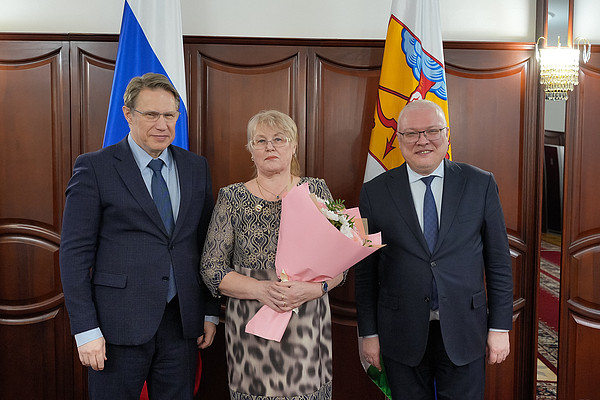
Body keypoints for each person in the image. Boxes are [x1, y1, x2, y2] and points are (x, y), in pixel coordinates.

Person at [59, 73, 220, 399]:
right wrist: (85, 329)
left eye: (170, 115)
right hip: (117, 327)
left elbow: (205, 245)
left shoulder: (196, 167)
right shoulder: (95, 168)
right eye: (151, 114)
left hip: (182, 324)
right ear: (128, 114)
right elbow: (74, 255)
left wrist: (209, 310)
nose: (162, 124)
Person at [355, 99, 513, 400]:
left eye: (432, 131)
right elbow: (365, 273)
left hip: (466, 329)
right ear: (399, 139)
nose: (422, 140)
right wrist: (369, 333)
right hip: (400, 333)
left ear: (446, 134)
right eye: (412, 133)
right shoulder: (374, 192)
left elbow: (498, 263)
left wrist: (500, 327)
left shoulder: (479, 184)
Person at [200, 110, 345, 400]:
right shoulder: (231, 197)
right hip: (251, 323)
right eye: (261, 140)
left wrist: (314, 289)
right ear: (250, 149)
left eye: (279, 139)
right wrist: (261, 290)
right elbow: (211, 268)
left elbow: (341, 263)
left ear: (293, 146)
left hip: (306, 322)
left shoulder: (316, 190)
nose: (270, 147)